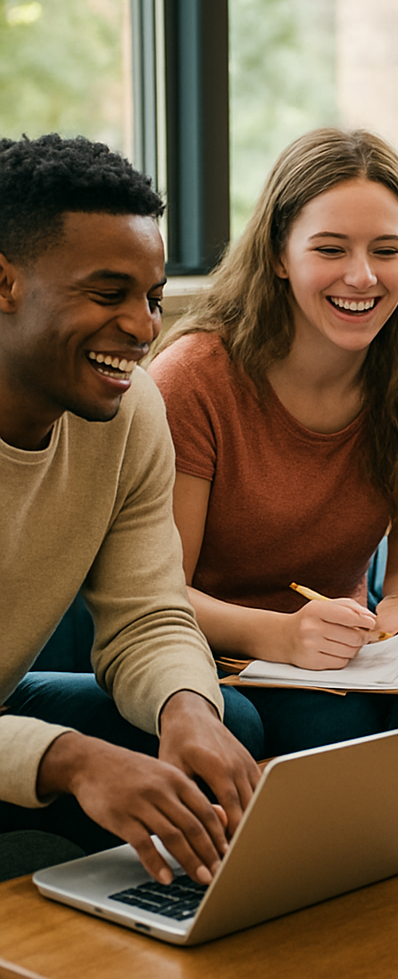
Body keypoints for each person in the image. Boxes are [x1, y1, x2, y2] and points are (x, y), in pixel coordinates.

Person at [149, 127, 398, 758]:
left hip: (343, 656)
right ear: (280, 254)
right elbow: (155, 594)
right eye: (330, 249)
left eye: (387, 250)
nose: (361, 277)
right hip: (207, 656)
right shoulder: (193, 378)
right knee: (326, 729)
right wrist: (283, 637)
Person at [0, 133, 263, 887]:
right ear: (5, 281)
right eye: (108, 293)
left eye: (152, 298)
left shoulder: (130, 409)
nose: (146, 329)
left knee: (220, 724)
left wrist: (188, 709)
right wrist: (68, 759)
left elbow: (147, 613)